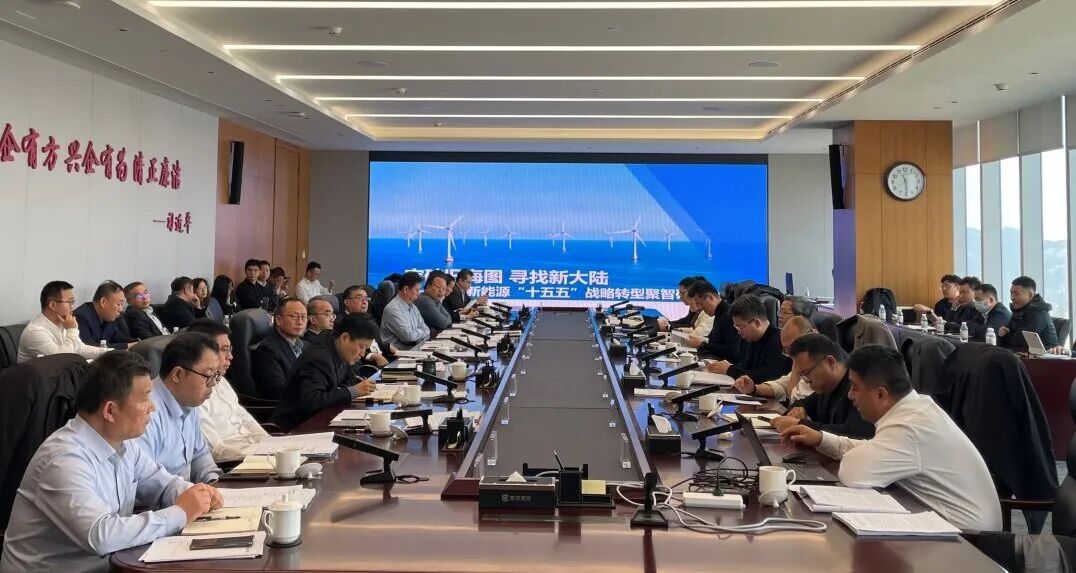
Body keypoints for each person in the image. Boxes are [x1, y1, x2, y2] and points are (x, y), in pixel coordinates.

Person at [0, 351, 221, 573]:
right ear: (110, 410)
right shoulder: (64, 459)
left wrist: (196, 494)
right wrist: (180, 513)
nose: (152, 407)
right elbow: (100, 535)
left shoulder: (124, 444)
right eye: (144, 398)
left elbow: (163, 485)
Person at [781, 345, 1002, 532]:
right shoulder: (916, 409)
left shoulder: (910, 426)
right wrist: (822, 439)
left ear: (880, 394)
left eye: (855, 388)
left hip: (967, 541)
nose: (850, 395)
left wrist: (839, 448)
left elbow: (853, 472)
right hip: (941, 523)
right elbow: (875, 448)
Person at [136, 333, 222, 483]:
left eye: (216, 375)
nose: (213, 383)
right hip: (165, 497)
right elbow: (145, 480)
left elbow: (199, 454)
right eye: (208, 375)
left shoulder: (188, 400)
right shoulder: (146, 412)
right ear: (177, 374)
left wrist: (212, 481)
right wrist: (189, 492)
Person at [271, 315, 379, 431]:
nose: (362, 353)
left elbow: (349, 377)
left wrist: (346, 390)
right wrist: (353, 391)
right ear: (345, 338)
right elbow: (311, 400)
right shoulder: (319, 358)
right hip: (297, 426)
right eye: (362, 347)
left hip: (323, 417)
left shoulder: (337, 344)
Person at [188, 320, 269, 463]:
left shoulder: (221, 380)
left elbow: (245, 418)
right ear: (202, 351)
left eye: (230, 349)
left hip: (256, 454)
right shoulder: (193, 393)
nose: (230, 356)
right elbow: (215, 451)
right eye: (224, 349)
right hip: (234, 463)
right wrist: (258, 454)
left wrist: (271, 444)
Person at [766, 334, 875, 439]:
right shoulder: (826, 387)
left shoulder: (860, 386)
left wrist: (799, 424)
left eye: (807, 373)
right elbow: (804, 403)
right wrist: (798, 409)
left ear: (830, 363)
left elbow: (855, 434)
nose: (806, 381)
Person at [17, 281, 110, 363]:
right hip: (41, 377)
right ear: (52, 305)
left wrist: (111, 352)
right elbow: (63, 360)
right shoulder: (35, 331)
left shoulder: (63, 323)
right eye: (69, 302)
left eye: (72, 302)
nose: (72, 306)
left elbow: (80, 349)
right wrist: (72, 330)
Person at [707, 294, 791, 382]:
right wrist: (726, 366)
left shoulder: (778, 342)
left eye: (740, 327)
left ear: (756, 323)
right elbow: (746, 366)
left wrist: (730, 370)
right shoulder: (754, 338)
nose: (739, 332)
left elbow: (766, 378)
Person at [733, 315, 815, 403]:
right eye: (787, 350)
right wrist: (753, 389)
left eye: (795, 347)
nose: (791, 355)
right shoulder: (800, 361)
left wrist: (796, 367)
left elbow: (795, 399)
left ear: (813, 335)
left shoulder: (820, 366)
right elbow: (781, 385)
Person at [251, 297, 307, 399]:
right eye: (294, 316)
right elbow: (278, 390)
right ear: (278, 320)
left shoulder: (307, 346)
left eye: (303, 317)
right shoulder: (267, 350)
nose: (300, 322)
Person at [682, 281, 744, 363]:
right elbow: (714, 341)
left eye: (700, 303)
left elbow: (732, 351)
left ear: (710, 297)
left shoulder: (729, 316)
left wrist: (702, 344)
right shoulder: (719, 314)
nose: (700, 308)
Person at [998, 276, 1061, 352]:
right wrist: (1004, 332)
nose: (1012, 297)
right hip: (1023, 354)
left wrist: (1007, 334)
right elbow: (1008, 335)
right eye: (1011, 293)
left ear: (1030, 295)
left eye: (1016, 294)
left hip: (1045, 356)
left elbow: (1020, 341)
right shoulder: (1019, 310)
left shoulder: (1038, 313)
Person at [335, 286, 395, 365]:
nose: (364, 302)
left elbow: (375, 341)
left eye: (366, 299)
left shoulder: (369, 319)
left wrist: (389, 346)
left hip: (384, 357)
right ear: (347, 302)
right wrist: (372, 356)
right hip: (366, 364)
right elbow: (347, 349)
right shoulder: (341, 322)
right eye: (359, 298)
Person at [74, 281, 135, 349]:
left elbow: (119, 338)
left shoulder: (108, 317)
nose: (121, 309)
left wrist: (139, 342)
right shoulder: (81, 316)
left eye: (122, 305)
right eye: (118, 304)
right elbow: (89, 348)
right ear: (103, 302)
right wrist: (127, 346)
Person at [381, 271, 431, 350]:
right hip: (397, 354)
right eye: (417, 290)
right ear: (406, 289)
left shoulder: (413, 307)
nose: (418, 294)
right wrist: (421, 331)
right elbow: (408, 337)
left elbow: (427, 330)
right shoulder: (392, 309)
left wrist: (417, 332)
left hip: (413, 349)